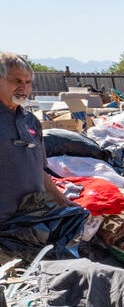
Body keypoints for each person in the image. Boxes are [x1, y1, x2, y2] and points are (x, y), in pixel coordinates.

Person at [0, 52, 74, 224]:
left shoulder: (31, 121)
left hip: (31, 221)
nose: (23, 88)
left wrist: (63, 202)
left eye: (27, 82)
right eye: (16, 81)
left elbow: (37, 170)